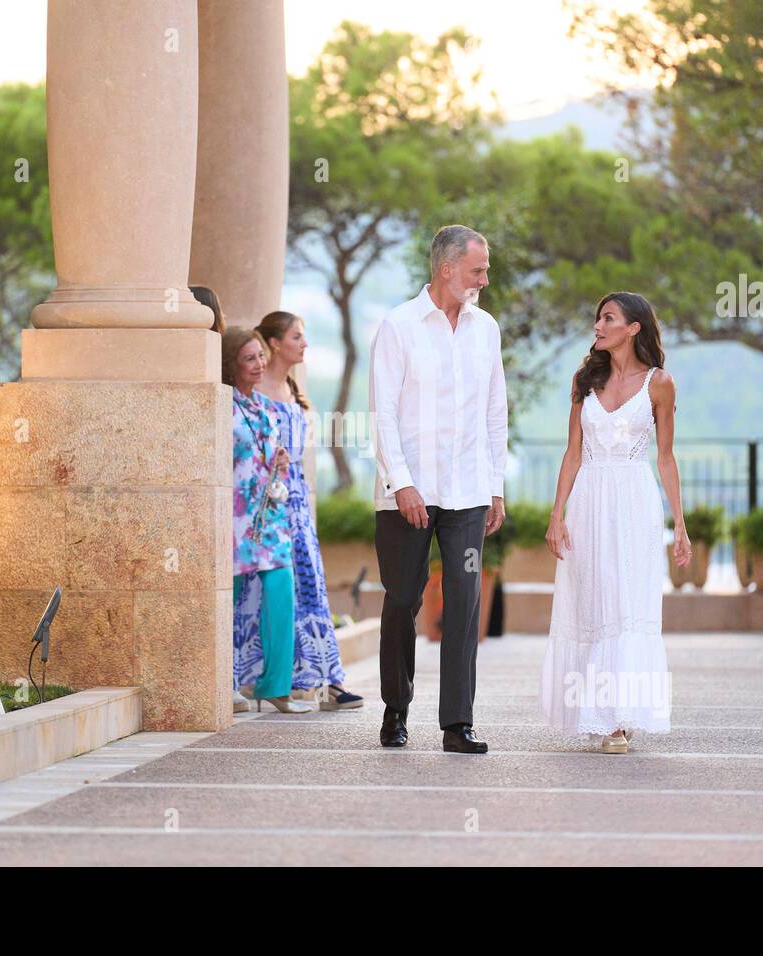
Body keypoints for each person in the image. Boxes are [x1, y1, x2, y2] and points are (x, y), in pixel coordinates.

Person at [368, 224, 507, 754]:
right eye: (478, 269)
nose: (485, 279)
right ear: (447, 269)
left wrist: (494, 485)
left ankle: (457, 724)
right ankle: (395, 710)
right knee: (402, 600)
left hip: (468, 492)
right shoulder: (399, 326)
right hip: (407, 493)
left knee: (465, 600)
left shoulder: (486, 328)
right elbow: (382, 412)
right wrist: (402, 483)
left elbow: (496, 410)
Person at [538, 291, 686, 753]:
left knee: (627, 604)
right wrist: (556, 513)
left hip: (635, 504)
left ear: (633, 327)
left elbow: (665, 458)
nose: (598, 326)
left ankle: (618, 719)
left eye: (608, 318)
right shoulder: (586, 380)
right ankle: (600, 712)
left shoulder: (660, 384)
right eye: (598, 318)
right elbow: (572, 452)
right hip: (588, 504)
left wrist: (679, 524)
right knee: (593, 603)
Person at [254, 310, 364, 710]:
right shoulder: (257, 389)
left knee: (311, 584)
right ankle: (278, 677)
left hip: (297, 502)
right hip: (269, 505)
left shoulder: (291, 387)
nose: (304, 343)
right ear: (274, 343)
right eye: (297, 336)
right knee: (275, 590)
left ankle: (326, 679)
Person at [224, 326, 309, 714]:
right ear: (231, 365)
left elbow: (270, 450)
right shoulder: (221, 405)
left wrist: (280, 458)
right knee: (230, 600)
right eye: (250, 359)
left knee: (281, 587)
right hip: (234, 516)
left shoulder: (262, 406)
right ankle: (223, 684)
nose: (259, 364)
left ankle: (275, 686)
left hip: (269, 516)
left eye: (261, 356)